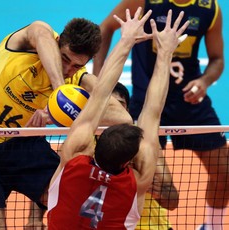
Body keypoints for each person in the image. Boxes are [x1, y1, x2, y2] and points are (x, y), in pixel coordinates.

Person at [0, 17, 133, 229]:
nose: (68, 69)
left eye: (77, 65)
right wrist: (60, 93)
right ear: (59, 43)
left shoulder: (79, 79)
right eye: (65, 58)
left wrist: (66, 111)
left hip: (26, 149)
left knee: (77, 208)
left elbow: (123, 118)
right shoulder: (29, 43)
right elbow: (40, 31)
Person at [47, 8, 189, 229]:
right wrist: (165, 53)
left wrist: (126, 40)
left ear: (96, 143)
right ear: (128, 163)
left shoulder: (74, 157)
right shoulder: (137, 182)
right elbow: (153, 112)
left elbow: (101, 93)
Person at [93, 1, 227, 229]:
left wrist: (204, 81)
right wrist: (98, 80)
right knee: (152, 181)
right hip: (148, 103)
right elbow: (106, 27)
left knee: (224, 172)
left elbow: (217, 59)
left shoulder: (210, 9)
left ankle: (212, 226)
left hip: (189, 102)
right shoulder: (145, 2)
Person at [112, 82, 179, 230]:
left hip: (154, 227)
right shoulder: (87, 140)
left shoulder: (144, 141)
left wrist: (158, 192)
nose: (114, 110)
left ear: (127, 111)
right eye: (109, 105)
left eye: (119, 104)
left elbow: (173, 201)